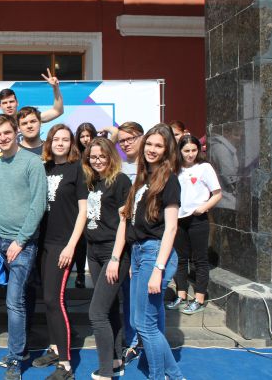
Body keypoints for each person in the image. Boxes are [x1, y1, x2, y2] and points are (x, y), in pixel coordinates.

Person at [119, 123, 184, 380]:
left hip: (154, 254)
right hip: (139, 254)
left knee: (145, 324)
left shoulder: (169, 179)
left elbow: (171, 228)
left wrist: (158, 269)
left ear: (167, 150)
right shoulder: (144, 178)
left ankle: (160, 376)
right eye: (149, 144)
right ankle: (175, 376)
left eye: (159, 145)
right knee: (140, 322)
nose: (152, 149)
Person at [0, 114, 47, 380]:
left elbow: (38, 205)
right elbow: (0, 202)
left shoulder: (32, 162)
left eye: (6, 132)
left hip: (22, 244)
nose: (2, 138)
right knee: (11, 300)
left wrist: (20, 240)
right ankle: (20, 351)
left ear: (16, 132)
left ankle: (14, 359)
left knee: (15, 302)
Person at [32, 124, 87, 380]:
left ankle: (66, 365)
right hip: (43, 242)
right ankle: (55, 349)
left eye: (65, 139)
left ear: (71, 143)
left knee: (55, 300)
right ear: (50, 142)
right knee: (48, 299)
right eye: (56, 139)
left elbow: (83, 212)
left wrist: (71, 245)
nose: (60, 143)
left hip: (62, 244)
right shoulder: (44, 168)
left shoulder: (77, 169)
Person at [82, 138, 132, 380]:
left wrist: (115, 258)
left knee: (96, 313)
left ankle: (105, 373)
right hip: (93, 251)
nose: (98, 160)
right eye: (93, 157)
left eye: (102, 156)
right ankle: (115, 360)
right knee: (109, 308)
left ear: (111, 156)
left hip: (113, 252)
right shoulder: (91, 182)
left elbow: (124, 221)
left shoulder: (121, 181)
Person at [167, 135, 222, 314]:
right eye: (186, 151)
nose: (190, 154)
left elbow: (217, 193)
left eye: (193, 150)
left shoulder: (204, 167)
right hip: (179, 218)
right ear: (180, 151)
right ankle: (181, 294)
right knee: (180, 258)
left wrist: (203, 207)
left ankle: (199, 298)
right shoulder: (175, 168)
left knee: (200, 259)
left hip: (198, 219)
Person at [115, 121, 143, 363]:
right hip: (126, 237)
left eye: (130, 138)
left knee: (148, 295)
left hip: (149, 239)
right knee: (128, 292)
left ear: (141, 137)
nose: (126, 143)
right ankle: (132, 341)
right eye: (122, 140)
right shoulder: (119, 168)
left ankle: (149, 340)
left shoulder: (153, 166)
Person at [0, 68, 64, 123]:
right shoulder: (0, 124)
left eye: (11, 101)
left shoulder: (29, 118)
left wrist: (55, 88)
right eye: (5, 103)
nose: (8, 105)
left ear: (17, 103)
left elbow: (57, 111)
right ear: (0, 106)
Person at [74, 122, 99, 288]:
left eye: (88, 135)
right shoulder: (75, 154)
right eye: (82, 136)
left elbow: (115, 134)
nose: (85, 139)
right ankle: (80, 274)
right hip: (79, 201)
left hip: (96, 199)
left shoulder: (99, 151)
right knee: (81, 240)